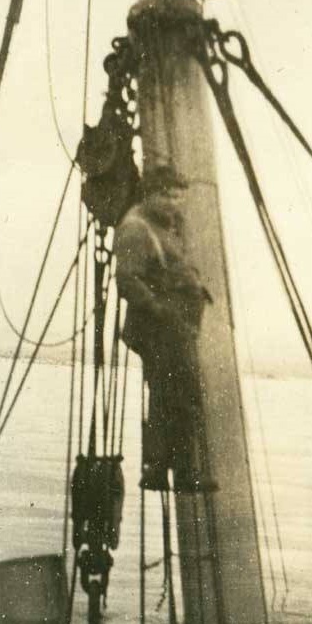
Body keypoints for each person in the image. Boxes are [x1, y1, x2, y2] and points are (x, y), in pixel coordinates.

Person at [114, 166, 215, 494]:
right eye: (169, 196)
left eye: (179, 197)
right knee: (182, 396)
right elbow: (128, 279)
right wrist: (160, 310)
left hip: (175, 324)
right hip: (160, 327)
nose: (175, 203)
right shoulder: (136, 228)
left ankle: (158, 470)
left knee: (166, 397)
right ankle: (183, 472)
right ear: (152, 194)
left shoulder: (166, 225)